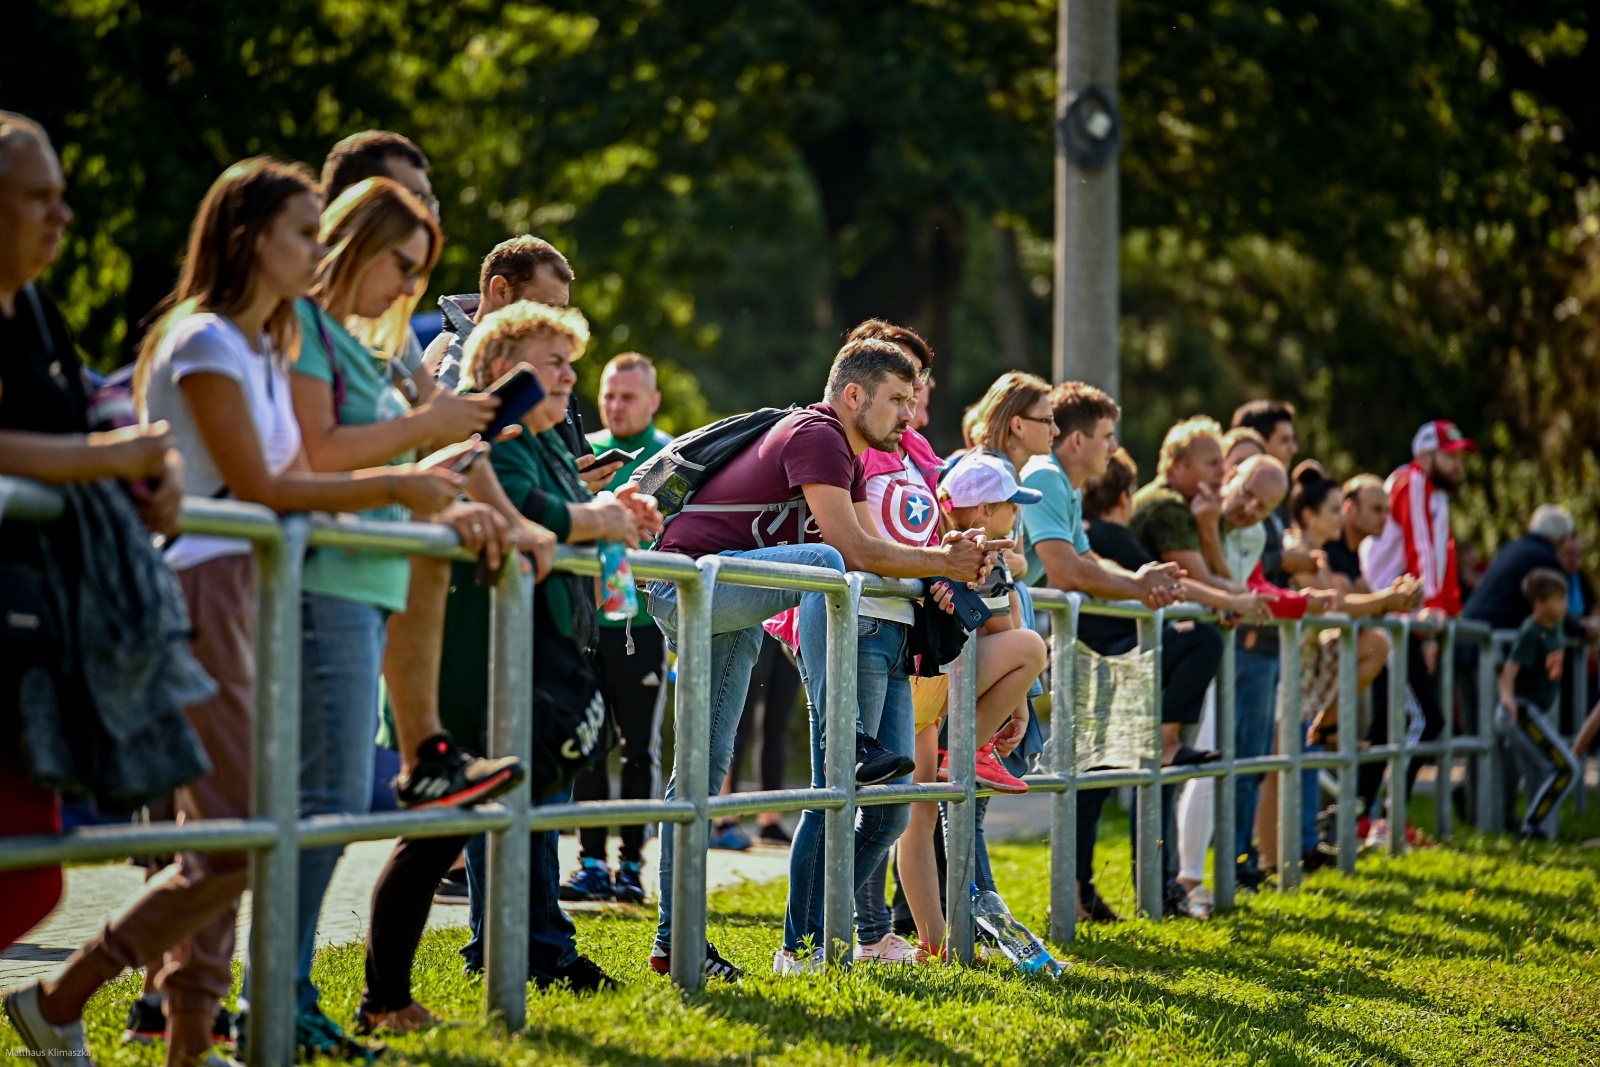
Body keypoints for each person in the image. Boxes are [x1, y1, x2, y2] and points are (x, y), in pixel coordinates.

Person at [10, 157, 462, 1067]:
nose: (320, 249)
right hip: (207, 586)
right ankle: (66, 994)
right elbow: (265, 484)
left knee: (231, 830)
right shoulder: (207, 338)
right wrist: (404, 478)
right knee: (247, 833)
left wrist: (415, 482)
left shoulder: (264, 345)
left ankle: (185, 1037)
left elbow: (296, 478)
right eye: (304, 231)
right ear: (252, 237)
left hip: (259, 584)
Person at [645, 338, 998, 979]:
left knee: (699, 774)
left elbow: (877, 547)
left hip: (731, 595)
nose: (908, 415)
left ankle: (676, 943)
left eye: (911, 400)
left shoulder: (855, 459)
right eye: (895, 399)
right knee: (824, 567)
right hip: (684, 583)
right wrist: (944, 564)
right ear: (853, 395)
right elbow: (851, 551)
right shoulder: (819, 433)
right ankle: (849, 739)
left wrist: (947, 562)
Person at [280, 176, 535, 1048]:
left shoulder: (361, 342)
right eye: (402, 265)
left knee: (314, 815)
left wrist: (453, 483)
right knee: (303, 815)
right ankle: (250, 997)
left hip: (367, 583)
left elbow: (388, 457)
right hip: (326, 584)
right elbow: (322, 453)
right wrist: (424, 456)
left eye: (421, 273)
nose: (409, 289)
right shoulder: (307, 331)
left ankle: (275, 998)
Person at [396, 300, 659, 1000]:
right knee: (469, 819)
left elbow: (562, 509)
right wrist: (590, 517)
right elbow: (522, 510)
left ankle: (530, 944)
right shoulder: (504, 430)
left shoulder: (538, 433)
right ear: (502, 368)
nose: (571, 377)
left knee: (527, 807)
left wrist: (618, 512)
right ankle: (512, 950)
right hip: (489, 650)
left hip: (535, 643)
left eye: (572, 364)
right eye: (555, 363)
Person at [0, 113, 184, 969]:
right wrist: (105, 458)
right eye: (38, 197)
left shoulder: (35, 306)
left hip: (35, 626)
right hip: (20, 619)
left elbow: (88, 417)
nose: (62, 216)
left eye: (62, 196)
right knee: (26, 878)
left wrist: (146, 473)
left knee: (33, 878)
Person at [897, 453, 1046, 956]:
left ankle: (932, 940)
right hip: (940, 684)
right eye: (1010, 506)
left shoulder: (934, 540)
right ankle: (968, 749)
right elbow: (1005, 634)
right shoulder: (988, 556)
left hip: (911, 678)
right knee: (1032, 648)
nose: (1015, 517)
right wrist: (1016, 707)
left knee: (915, 819)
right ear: (983, 512)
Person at [562, 352, 675, 902]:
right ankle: (589, 863)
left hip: (645, 623)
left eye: (628, 396)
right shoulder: (582, 454)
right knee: (586, 740)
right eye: (608, 394)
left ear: (653, 401)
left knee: (637, 745)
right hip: (586, 619)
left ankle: (631, 867)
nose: (615, 405)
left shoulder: (673, 456)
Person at [422, 234, 618, 492]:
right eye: (545, 307)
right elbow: (451, 481)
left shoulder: (546, 363)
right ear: (501, 291)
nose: (553, 320)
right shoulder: (450, 365)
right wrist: (562, 492)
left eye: (560, 310)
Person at [1363, 418, 1476, 844]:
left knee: (1391, 723)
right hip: (1391, 617)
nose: (1458, 464)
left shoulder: (1435, 493)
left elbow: (1440, 551)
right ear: (1426, 454)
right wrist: (1429, 606)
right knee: (1423, 718)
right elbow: (1422, 547)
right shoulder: (1412, 481)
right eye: (1451, 455)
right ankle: (1382, 820)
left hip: (1401, 620)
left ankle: (1371, 818)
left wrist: (1448, 608)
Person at [1497, 568, 1579, 841]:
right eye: (1558, 599)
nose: (1565, 604)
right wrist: (1508, 700)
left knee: (1541, 770)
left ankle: (1543, 831)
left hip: (1536, 713)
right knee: (1567, 768)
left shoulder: (1555, 626)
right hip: (1522, 712)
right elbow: (1509, 671)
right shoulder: (1531, 632)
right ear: (1540, 604)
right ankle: (1534, 826)